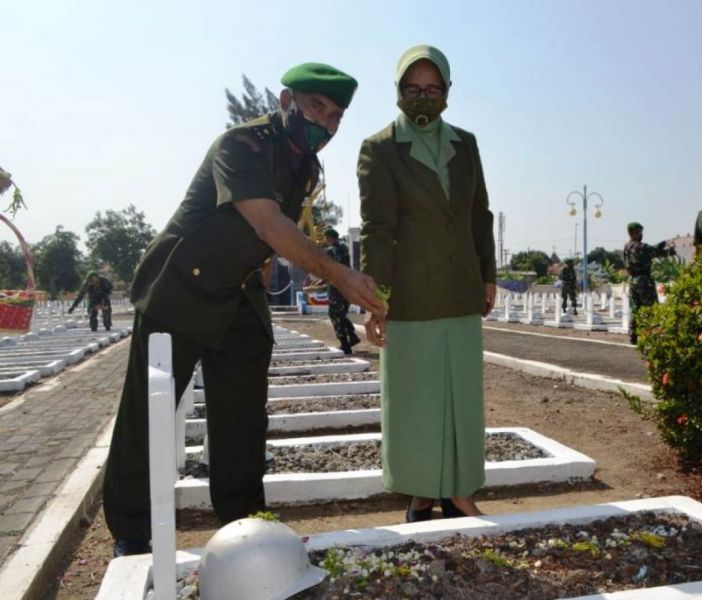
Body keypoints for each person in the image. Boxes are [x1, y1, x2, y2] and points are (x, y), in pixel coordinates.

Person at [103, 63, 385, 557]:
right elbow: (267, 222)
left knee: (243, 417)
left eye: (335, 115)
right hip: (181, 286)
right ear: (286, 101)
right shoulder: (241, 144)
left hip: (239, 292)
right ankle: (131, 531)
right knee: (149, 415)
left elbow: (275, 238)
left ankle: (245, 524)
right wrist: (340, 275)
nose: (325, 122)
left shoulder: (304, 165)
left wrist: (282, 265)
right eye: (316, 106)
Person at [358, 45, 496, 522]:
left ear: (448, 92)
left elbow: (479, 214)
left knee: (461, 397)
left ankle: (458, 492)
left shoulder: (466, 144)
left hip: (461, 289)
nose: (423, 98)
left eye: (433, 89)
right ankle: (420, 494)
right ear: (398, 90)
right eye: (413, 88)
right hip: (410, 297)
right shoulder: (379, 149)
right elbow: (378, 229)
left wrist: (487, 273)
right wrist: (376, 300)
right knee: (415, 399)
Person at [623, 223, 673, 345]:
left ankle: (633, 336)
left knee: (635, 308)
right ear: (634, 232)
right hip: (644, 281)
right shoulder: (641, 247)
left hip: (633, 281)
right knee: (651, 307)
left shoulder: (627, 247)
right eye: (640, 232)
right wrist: (669, 249)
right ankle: (653, 335)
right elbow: (655, 251)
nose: (642, 235)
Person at [323, 227, 360, 354]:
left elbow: (330, 269)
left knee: (334, 315)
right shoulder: (344, 248)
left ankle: (345, 344)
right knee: (342, 314)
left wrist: (323, 280)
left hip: (336, 287)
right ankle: (352, 336)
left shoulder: (330, 251)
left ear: (328, 238)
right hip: (346, 286)